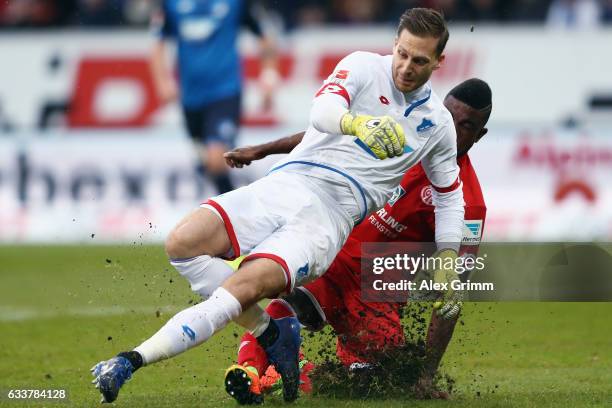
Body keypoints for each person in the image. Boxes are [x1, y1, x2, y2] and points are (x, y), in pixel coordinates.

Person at [92, 8, 464, 404]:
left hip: (325, 219)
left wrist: (447, 258)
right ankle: (273, 332)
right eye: (403, 53)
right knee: (182, 243)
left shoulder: (437, 125)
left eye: (420, 60)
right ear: (394, 43)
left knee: (237, 290)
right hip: (285, 183)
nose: (406, 66)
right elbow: (321, 112)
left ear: (439, 62)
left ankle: (130, 360)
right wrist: (356, 124)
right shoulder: (362, 66)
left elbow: (449, 195)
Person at [224, 78, 492, 403]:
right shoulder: (403, 136)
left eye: (464, 126)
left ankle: (299, 372)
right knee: (291, 301)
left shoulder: (469, 205)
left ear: (480, 135)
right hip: (335, 257)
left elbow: (452, 296)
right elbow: (329, 140)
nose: (449, 129)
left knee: (378, 386)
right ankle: (250, 372)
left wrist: (426, 375)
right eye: (446, 117)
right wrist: (262, 150)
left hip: (376, 292)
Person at [149, 0, 278, 194]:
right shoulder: (172, 5)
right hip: (190, 98)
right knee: (207, 164)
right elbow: (158, 43)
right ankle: (232, 209)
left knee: (217, 158)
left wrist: (269, 76)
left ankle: (236, 214)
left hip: (225, 93)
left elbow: (265, 37)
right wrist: (163, 82)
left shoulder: (236, 4)